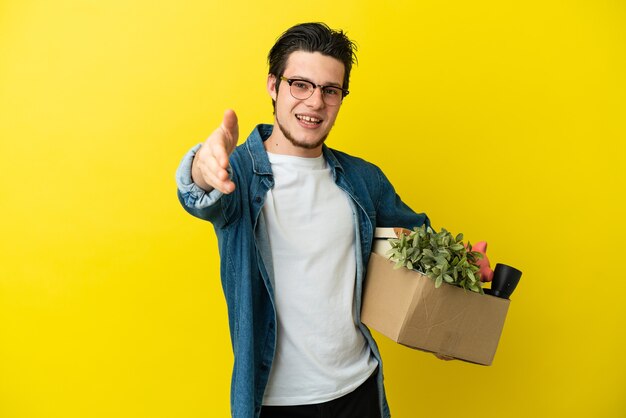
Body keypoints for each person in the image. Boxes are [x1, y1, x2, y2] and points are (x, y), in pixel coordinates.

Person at [176, 22, 492, 418]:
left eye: (330, 90)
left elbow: (413, 250)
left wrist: (453, 302)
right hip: (275, 401)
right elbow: (198, 193)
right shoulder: (238, 173)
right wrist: (202, 168)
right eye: (300, 85)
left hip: (359, 390)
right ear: (273, 86)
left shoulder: (363, 180)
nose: (314, 103)